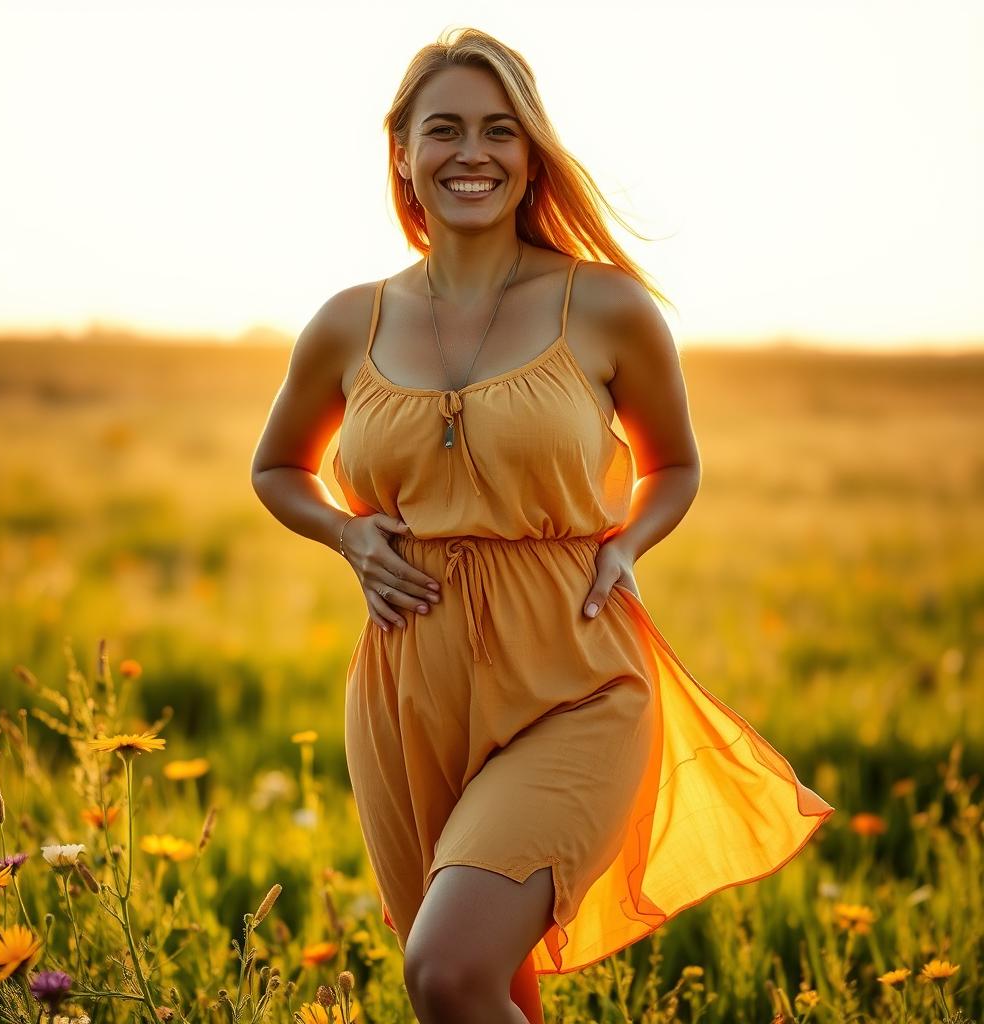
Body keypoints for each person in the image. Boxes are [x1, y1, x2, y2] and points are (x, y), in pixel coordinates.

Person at [251, 27, 835, 1024]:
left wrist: (625, 541)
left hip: (574, 674)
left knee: (445, 969)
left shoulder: (605, 307)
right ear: (401, 150)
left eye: (498, 131)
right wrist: (348, 535)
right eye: (443, 130)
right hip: (407, 687)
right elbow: (276, 467)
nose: (470, 153)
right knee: (483, 983)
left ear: (529, 156)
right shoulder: (348, 320)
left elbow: (674, 465)